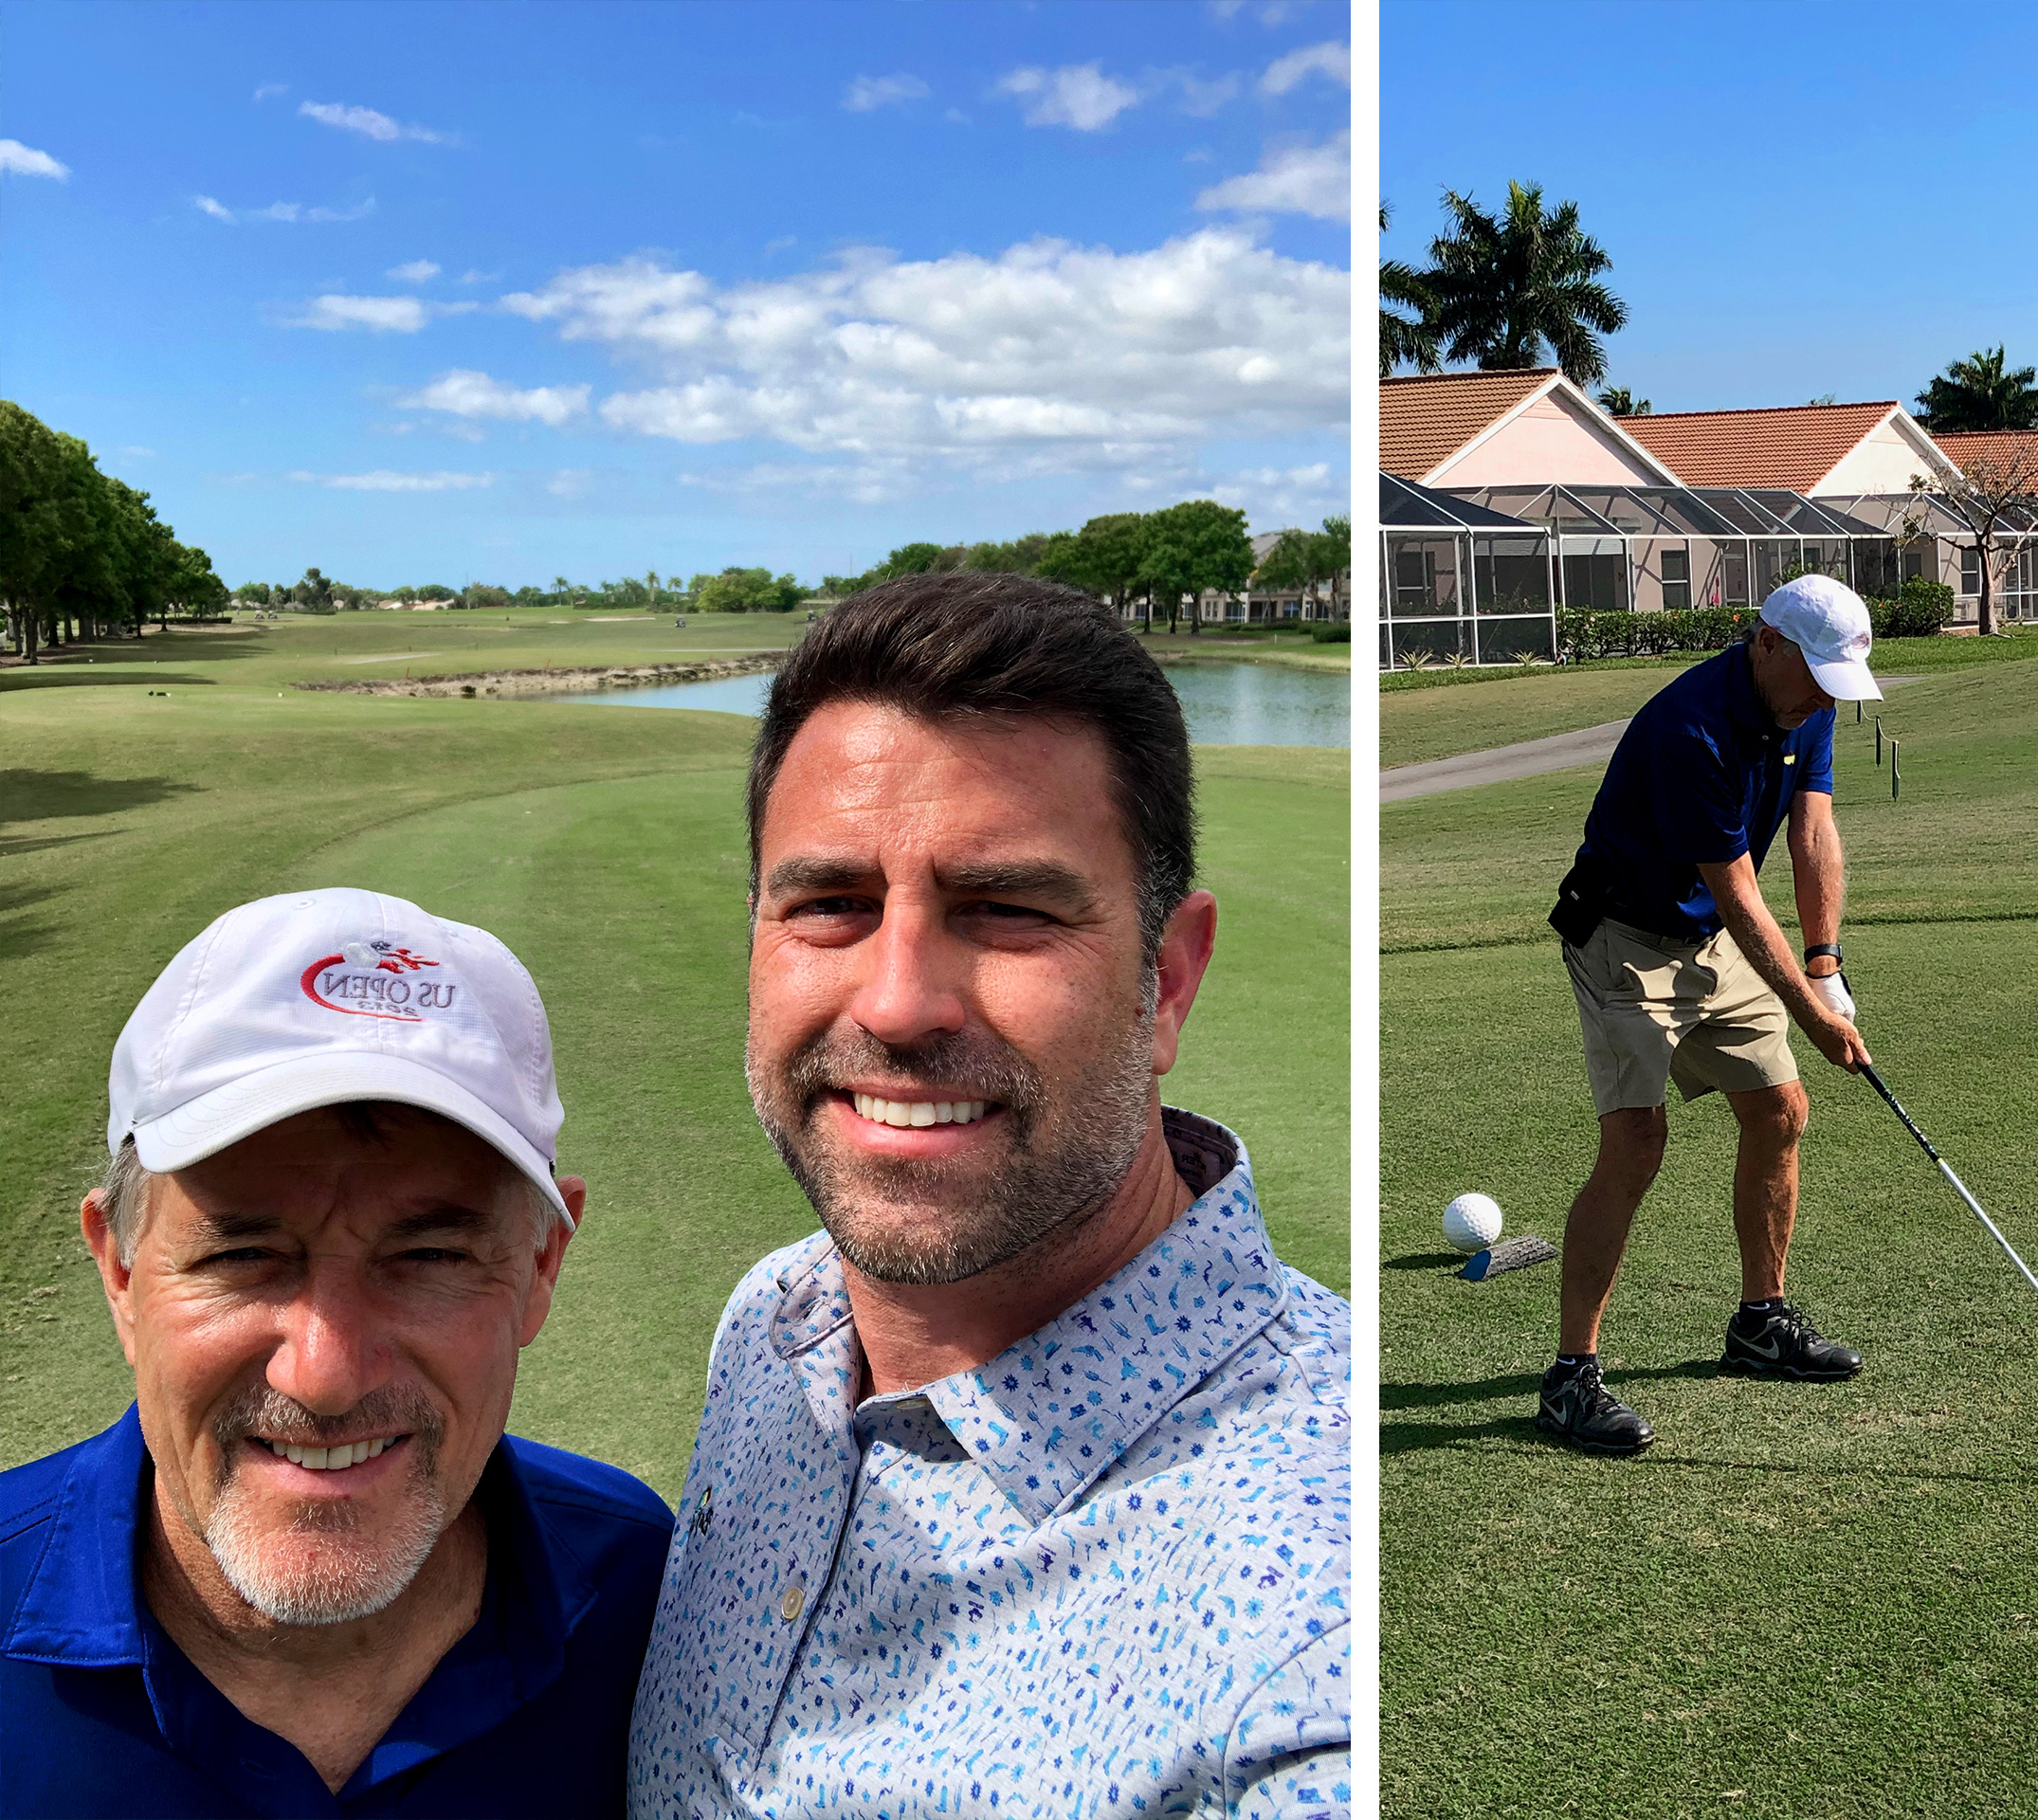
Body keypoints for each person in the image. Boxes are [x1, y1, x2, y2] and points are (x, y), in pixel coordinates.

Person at [626, 575, 1352, 1818]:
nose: (899, 1002)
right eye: (831, 905)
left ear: (1165, 985)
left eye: (1008, 911)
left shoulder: (1310, 1635)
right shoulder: (777, 1321)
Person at [0, 889, 672, 1816]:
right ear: (120, 1269)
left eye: (429, 1255)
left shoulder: (652, 1600)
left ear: (540, 1268)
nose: (325, 1372)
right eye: (242, 1255)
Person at [1537, 574, 1883, 1455]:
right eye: (1813, 677)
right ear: (1765, 643)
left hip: (1709, 937)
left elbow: (1810, 835)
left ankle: (1760, 1323)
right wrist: (1812, 1016)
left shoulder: (1809, 706)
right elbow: (1735, 893)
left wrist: (1824, 962)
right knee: (1636, 1141)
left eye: (1834, 685)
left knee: (1780, 1109)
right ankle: (1569, 1378)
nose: (1820, 701)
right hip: (1623, 935)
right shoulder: (1692, 725)